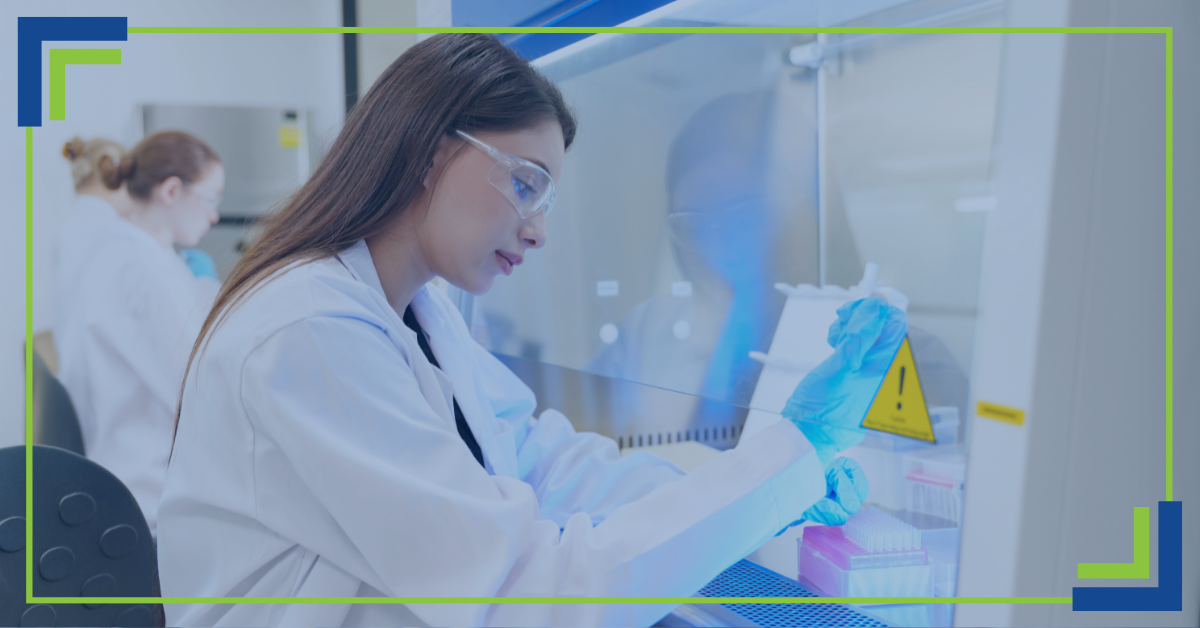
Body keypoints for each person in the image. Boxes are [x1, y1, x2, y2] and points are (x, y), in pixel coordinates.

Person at [158, 34, 892, 627]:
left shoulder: (418, 312)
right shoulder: (312, 328)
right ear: (431, 153)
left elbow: (548, 464)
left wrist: (778, 474)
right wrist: (775, 471)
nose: (538, 230)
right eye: (524, 183)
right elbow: (523, 595)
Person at [54, 132, 224, 536]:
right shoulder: (144, 269)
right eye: (211, 199)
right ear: (171, 191)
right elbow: (197, 386)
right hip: (149, 493)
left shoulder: (136, 252)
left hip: (131, 470)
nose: (214, 216)